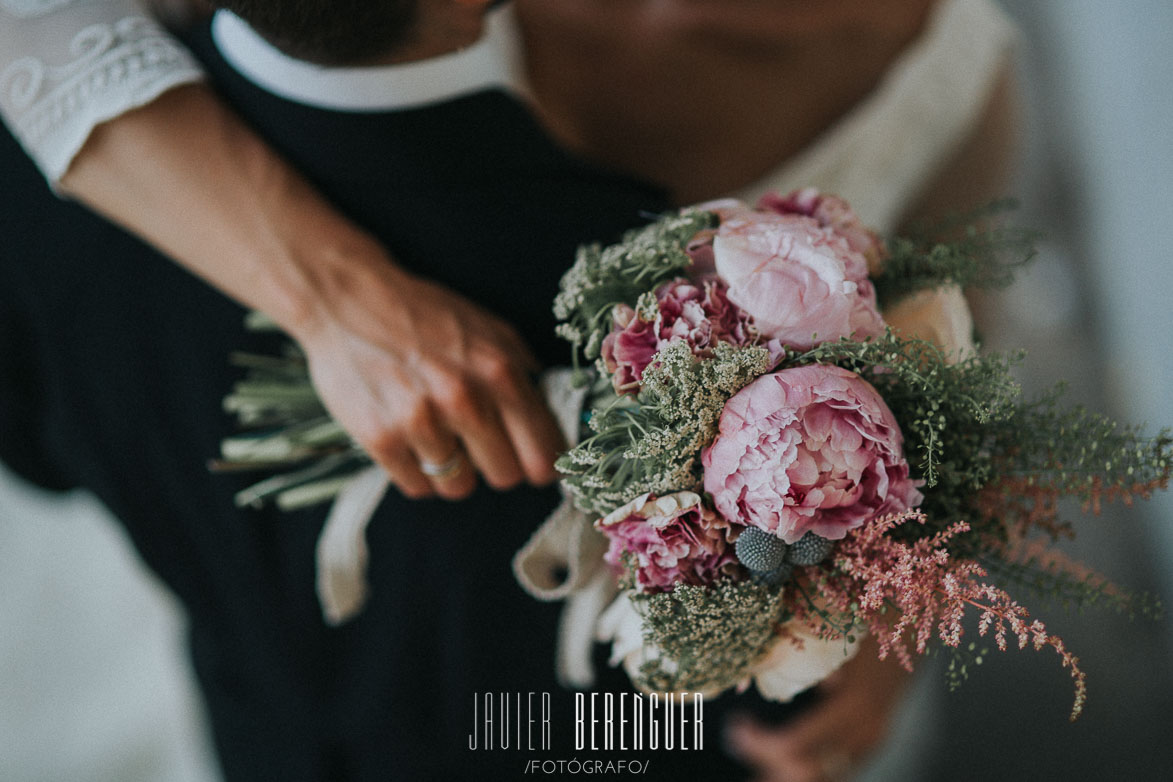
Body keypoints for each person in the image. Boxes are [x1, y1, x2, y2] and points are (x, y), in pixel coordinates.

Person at [0, 1, 1019, 779]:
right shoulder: (671, 329)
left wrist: (893, 604)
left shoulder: (41, 187)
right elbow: (640, 718)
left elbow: (37, 442)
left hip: (259, 702)